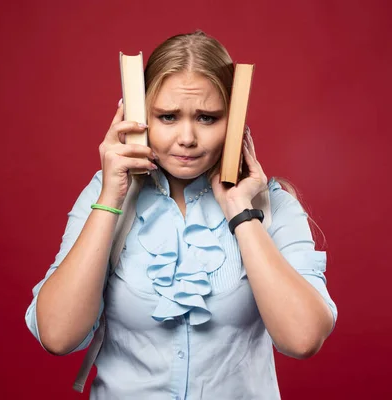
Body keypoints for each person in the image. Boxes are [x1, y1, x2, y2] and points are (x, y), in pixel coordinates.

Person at [25, 30, 338, 399]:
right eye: (168, 116)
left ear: (234, 122)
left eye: (207, 118)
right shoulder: (104, 194)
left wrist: (240, 214)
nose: (187, 137)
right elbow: (58, 336)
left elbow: (303, 338)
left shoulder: (274, 205)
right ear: (139, 118)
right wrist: (111, 196)